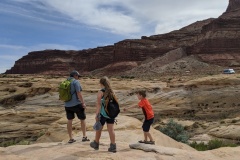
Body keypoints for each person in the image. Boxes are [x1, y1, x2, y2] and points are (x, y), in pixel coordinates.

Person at [90, 76, 117, 152]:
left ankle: (96, 143)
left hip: (103, 114)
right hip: (111, 114)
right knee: (111, 130)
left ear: (101, 83)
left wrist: (97, 115)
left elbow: (98, 104)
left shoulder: (101, 92)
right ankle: (113, 146)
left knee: (99, 128)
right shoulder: (112, 91)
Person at [64, 70, 89, 143]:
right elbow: (79, 93)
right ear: (75, 75)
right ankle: (84, 137)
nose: (78, 78)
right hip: (76, 104)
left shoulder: (65, 82)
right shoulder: (75, 82)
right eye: (78, 76)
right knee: (82, 119)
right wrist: (83, 103)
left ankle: (71, 138)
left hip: (67, 105)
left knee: (69, 120)